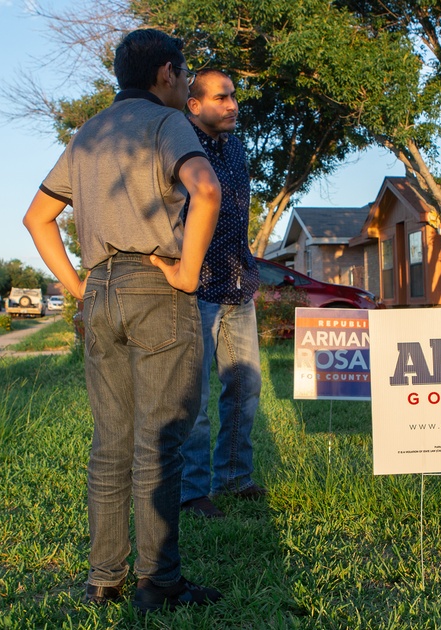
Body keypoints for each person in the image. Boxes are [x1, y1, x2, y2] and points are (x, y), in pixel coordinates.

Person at [22, 28, 224, 612]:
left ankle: (103, 579)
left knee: (110, 442)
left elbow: (37, 217)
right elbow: (204, 188)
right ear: (165, 73)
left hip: (101, 289)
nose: (185, 85)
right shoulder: (168, 124)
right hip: (154, 284)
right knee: (159, 441)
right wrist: (188, 272)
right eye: (184, 75)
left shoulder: (87, 134)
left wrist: (78, 287)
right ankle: (158, 583)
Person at [177, 70, 265, 519]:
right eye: (222, 97)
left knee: (246, 384)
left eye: (233, 96)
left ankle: (233, 476)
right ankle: (192, 492)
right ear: (194, 105)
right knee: (194, 396)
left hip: (238, 282)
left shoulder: (236, 145)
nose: (233, 105)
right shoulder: (178, 144)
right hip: (197, 286)